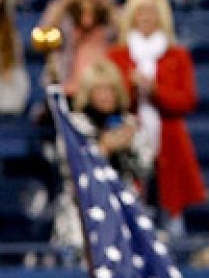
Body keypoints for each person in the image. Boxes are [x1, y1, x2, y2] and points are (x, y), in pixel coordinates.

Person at [107, 0, 204, 234]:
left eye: (151, 11)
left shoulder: (178, 56)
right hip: (129, 140)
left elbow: (186, 100)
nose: (145, 17)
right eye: (140, 11)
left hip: (170, 141)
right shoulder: (117, 55)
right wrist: (132, 86)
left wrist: (154, 90)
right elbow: (110, 99)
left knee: (171, 212)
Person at [52, 59, 152, 251]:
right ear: (88, 93)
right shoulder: (73, 125)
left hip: (123, 207)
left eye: (111, 89)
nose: (106, 95)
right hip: (82, 209)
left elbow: (145, 169)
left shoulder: (129, 124)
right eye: (99, 89)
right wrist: (103, 149)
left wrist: (130, 147)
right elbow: (68, 165)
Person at [36, 0, 113, 94]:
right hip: (67, 86)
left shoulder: (107, 18)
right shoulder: (63, 16)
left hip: (102, 88)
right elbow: (41, 40)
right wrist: (65, 0)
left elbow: (125, 33)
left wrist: (104, 0)